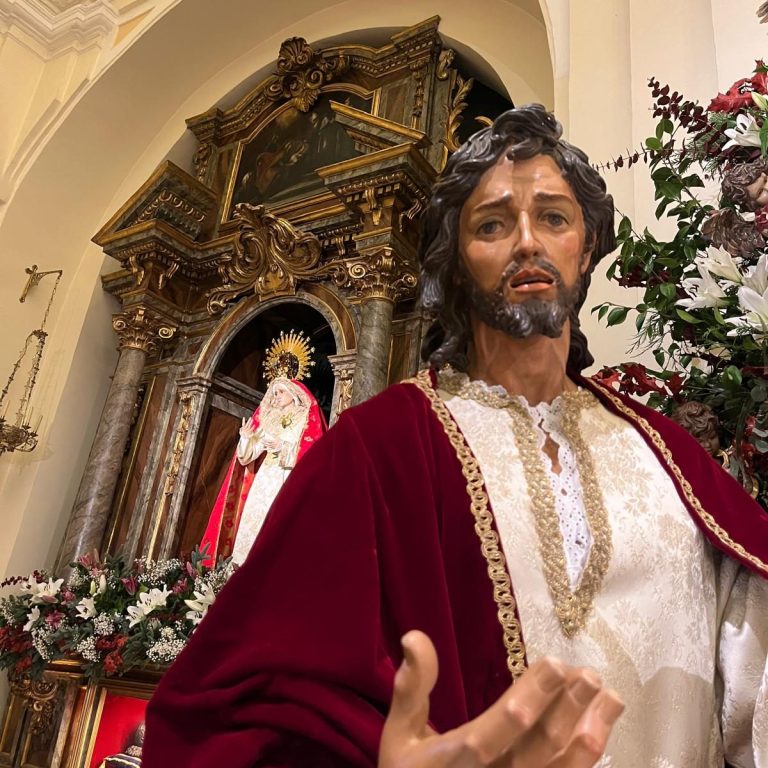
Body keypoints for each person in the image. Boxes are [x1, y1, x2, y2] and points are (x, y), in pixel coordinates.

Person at [144, 105, 768, 767]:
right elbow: (239, 709)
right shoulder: (375, 451)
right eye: (492, 224)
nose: (527, 241)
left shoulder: (668, 459)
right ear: (457, 262)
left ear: (586, 248)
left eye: (554, 217)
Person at [200, 375, 327, 566]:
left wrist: (283, 446)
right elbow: (247, 457)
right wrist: (245, 438)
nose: (277, 396)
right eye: (274, 393)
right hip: (265, 479)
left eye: (281, 391)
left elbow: (314, 452)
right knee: (255, 520)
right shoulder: (270, 419)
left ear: (293, 393)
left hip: (288, 477)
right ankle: (241, 568)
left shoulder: (305, 418)